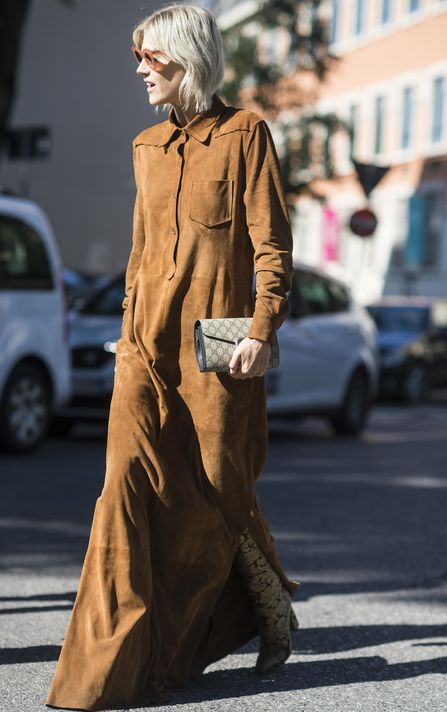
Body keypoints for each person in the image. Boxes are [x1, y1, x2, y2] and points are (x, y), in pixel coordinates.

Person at [45, 4, 298, 710]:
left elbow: (271, 244)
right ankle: (105, 672)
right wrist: (126, 328)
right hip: (143, 348)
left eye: (149, 58)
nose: (139, 71)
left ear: (186, 58)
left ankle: (264, 597)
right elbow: (139, 251)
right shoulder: (144, 147)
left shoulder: (246, 134)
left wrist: (259, 329)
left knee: (216, 494)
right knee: (123, 490)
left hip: (217, 351)